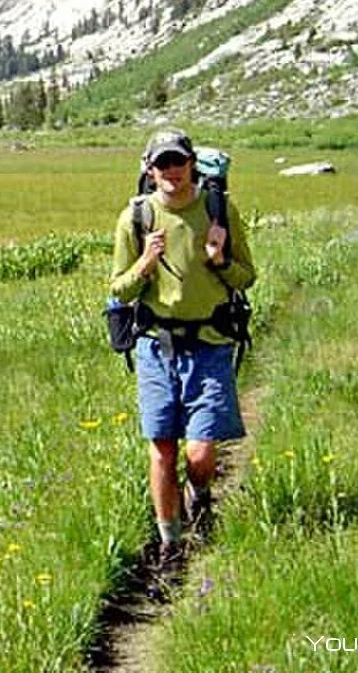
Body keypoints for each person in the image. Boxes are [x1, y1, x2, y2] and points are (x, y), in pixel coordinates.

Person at [109, 128, 256, 579]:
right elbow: (119, 287)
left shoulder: (219, 210)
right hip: (157, 347)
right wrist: (145, 264)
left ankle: (200, 495)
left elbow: (246, 277)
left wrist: (217, 259)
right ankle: (170, 541)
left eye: (178, 161)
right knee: (161, 450)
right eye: (162, 163)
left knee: (200, 453)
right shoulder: (135, 218)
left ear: (191, 163)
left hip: (209, 344)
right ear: (149, 170)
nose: (171, 171)